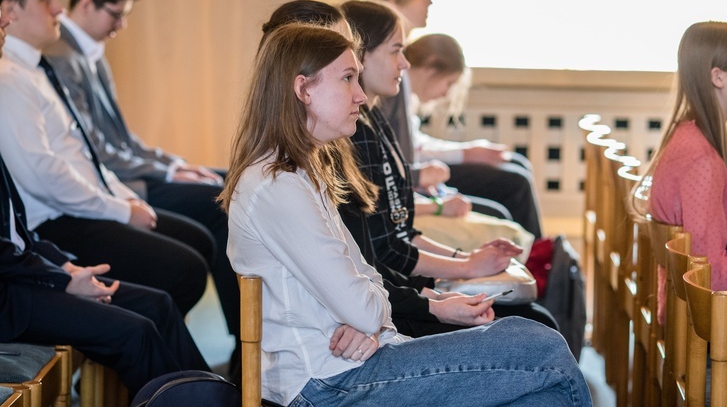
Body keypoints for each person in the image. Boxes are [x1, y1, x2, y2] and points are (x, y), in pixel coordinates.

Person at [221, 21, 591, 406]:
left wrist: (368, 321)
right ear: (303, 89)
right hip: (325, 383)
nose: (360, 96)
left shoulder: (301, 172)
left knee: (541, 394)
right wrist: (368, 320)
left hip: (352, 363)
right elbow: (362, 304)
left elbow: (363, 272)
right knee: (541, 348)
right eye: (348, 78)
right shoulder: (277, 186)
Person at [259, 0, 539, 337]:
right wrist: (444, 287)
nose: (404, 63)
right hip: (348, 339)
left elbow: (368, 266)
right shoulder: (289, 178)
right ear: (302, 84)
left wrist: (436, 292)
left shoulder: (357, 131)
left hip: (378, 308)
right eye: (346, 71)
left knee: (530, 323)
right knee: (529, 329)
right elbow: (365, 274)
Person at [0, 6, 209, 398]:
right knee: (137, 330)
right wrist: (60, 278)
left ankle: (207, 397)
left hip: (24, 268)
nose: (4, 24)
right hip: (8, 296)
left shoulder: (33, 72)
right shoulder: (12, 81)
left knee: (157, 304)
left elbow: (16, 229)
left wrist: (63, 265)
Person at [42, 0, 239, 364]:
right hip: (119, 186)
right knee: (217, 203)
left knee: (227, 180)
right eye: (116, 14)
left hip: (127, 176)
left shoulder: (90, 52)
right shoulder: (63, 57)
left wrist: (175, 164)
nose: (121, 25)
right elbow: (95, 150)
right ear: (87, 4)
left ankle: (239, 337)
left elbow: (125, 139)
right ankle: (242, 340)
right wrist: (166, 173)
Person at [338, 0, 556, 329]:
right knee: (536, 326)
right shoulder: (357, 135)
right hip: (389, 305)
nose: (405, 64)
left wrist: (464, 264)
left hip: (396, 291)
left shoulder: (372, 124)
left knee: (536, 319)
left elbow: (399, 233)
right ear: (362, 56)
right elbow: (382, 255)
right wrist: (450, 282)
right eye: (396, 51)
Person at [365, 0, 544, 237]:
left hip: (408, 176)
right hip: (404, 180)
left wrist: (468, 152)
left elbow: (406, 144)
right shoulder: (382, 73)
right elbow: (389, 156)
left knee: (517, 169)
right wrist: (432, 175)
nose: (429, 1)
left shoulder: (394, 70)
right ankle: (538, 259)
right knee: (514, 182)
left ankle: (538, 257)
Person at [633, 21, 727, 367]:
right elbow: (712, 279)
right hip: (703, 335)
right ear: (718, 76)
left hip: (686, 320)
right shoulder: (702, 160)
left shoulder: (689, 135)